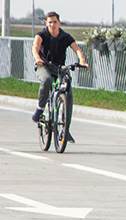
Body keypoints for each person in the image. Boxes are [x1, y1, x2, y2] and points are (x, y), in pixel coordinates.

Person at [31, 11, 88, 143]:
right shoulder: (41, 35)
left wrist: (82, 61)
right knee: (46, 80)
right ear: (46, 23)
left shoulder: (65, 36)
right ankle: (40, 110)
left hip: (59, 68)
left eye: (55, 22)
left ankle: (65, 129)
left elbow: (77, 49)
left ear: (59, 23)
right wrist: (38, 58)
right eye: (49, 22)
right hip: (43, 66)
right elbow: (35, 47)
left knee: (68, 93)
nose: (52, 24)